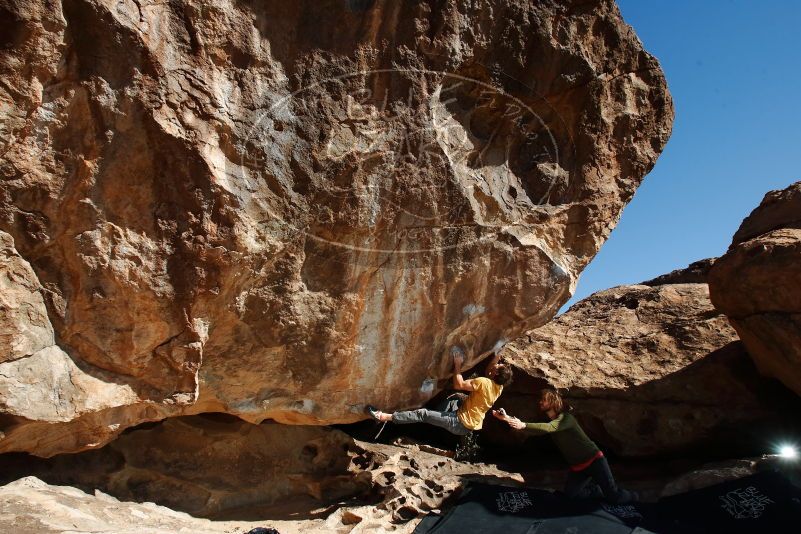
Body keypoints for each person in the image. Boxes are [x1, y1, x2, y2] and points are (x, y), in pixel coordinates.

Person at [493, 388, 637, 504]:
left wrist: (523, 424)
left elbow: (549, 428)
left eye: (544, 400)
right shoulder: (552, 422)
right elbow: (536, 430)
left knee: (613, 497)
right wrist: (506, 418)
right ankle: (596, 491)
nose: (540, 402)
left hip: (595, 461)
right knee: (571, 496)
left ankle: (634, 496)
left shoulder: (566, 419)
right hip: (578, 467)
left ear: (553, 402)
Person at [366, 345, 513, 436]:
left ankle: (384, 417)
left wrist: (457, 364)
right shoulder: (498, 387)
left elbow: (459, 384)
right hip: (470, 424)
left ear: (494, 374)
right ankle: (436, 416)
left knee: (423, 414)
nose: (498, 364)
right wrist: (499, 351)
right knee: (457, 398)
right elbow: (490, 370)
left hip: (459, 423)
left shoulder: (484, 382)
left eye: (498, 366)